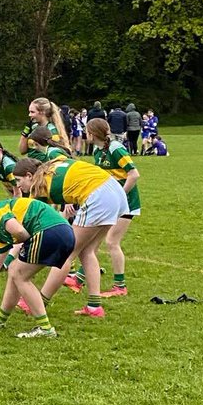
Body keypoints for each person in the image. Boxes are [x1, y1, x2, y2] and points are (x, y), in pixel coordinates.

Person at [12, 157, 127, 321]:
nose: (17, 185)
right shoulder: (54, 163)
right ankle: (94, 307)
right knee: (87, 250)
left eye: (18, 180)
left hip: (98, 195)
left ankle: (39, 302)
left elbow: (28, 225)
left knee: (66, 252)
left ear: (30, 175)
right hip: (115, 191)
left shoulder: (38, 187)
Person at [0, 196, 75, 338]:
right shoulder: (2, 234)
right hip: (64, 232)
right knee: (16, 271)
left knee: (18, 273)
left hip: (49, 230)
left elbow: (19, 232)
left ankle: (45, 328)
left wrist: (25, 243)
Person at [81, 118, 141, 298]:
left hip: (126, 203)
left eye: (86, 131)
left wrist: (119, 196)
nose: (85, 134)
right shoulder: (99, 150)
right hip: (113, 203)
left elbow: (134, 174)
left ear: (92, 133)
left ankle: (120, 286)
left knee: (112, 241)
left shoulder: (115, 148)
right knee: (93, 242)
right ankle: (79, 277)